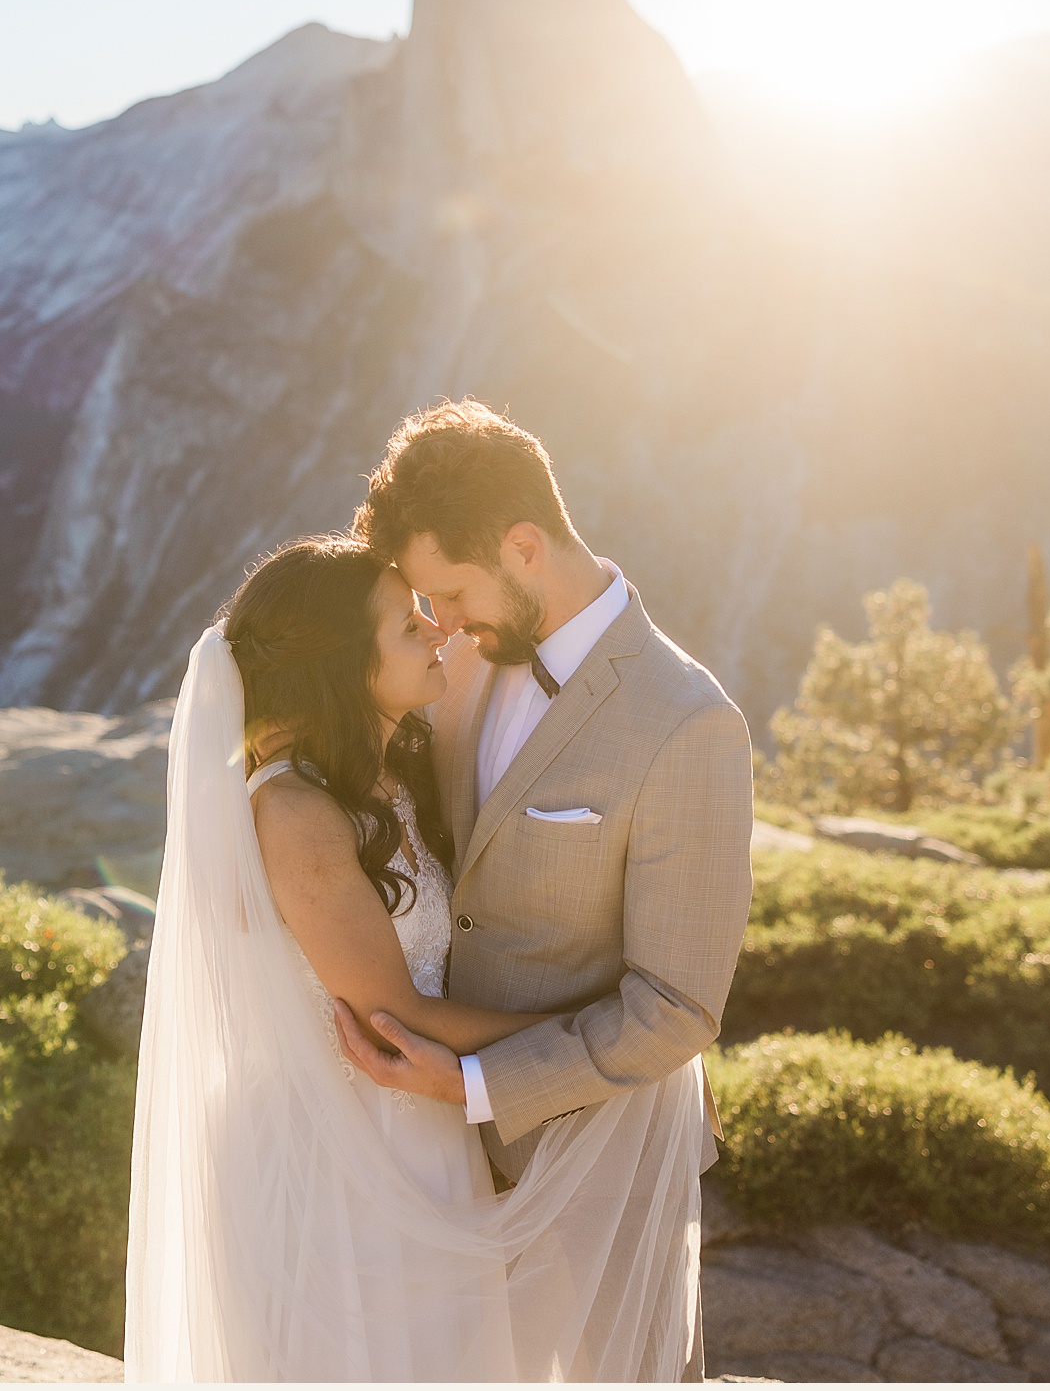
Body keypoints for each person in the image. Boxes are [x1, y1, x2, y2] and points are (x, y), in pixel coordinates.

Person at [125, 525, 729, 1380]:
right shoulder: (294, 812)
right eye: (409, 626)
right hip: (339, 1154)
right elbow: (394, 1012)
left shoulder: (385, 779)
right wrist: (629, 1032)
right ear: (346, 665)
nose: (438, 630)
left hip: (421, 1135)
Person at [340, 398, 755, 1382]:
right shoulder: (460, 670)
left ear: (524, 544)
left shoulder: (688, 725)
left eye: (450, 590)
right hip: (428, 1150)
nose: (437, 622)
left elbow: (678, 1008)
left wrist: (475, 1084)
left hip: (599, 1153)